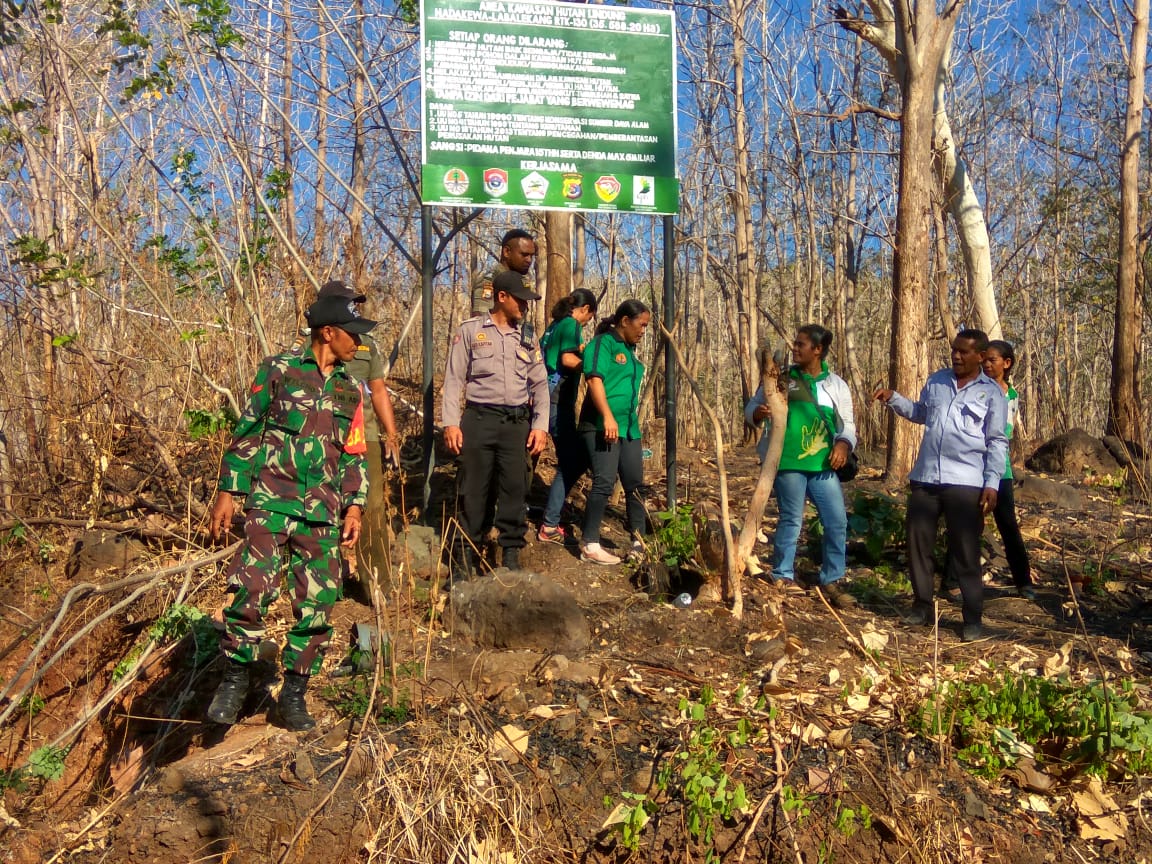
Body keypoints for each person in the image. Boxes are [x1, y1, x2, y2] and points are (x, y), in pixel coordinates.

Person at [206, 294, 374, 731]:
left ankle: (294, 694)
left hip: (322, 512)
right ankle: (235, 678)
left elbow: (355, 453)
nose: (358, 343)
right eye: (353, 335)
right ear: (328, 332)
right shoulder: (279, 370)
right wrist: (229, 488)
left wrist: (355, 506)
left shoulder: (350, 388)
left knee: (318, 604)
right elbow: (248, 428)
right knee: (251, 590)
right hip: (269, 502)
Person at [874, 328, 1008, 642]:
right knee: (918, 544)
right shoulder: (937, 381)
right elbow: (922, 413)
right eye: (954, 350)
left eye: (964, 352)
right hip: (926, 478)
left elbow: (997, 441)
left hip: (966, 482)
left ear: (979, 356)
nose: (957, 356)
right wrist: (894, 399)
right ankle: (921, 606)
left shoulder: (991, 393)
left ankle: (972, 618)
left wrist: (992, 484)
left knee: (965, 550)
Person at [294, 281, 401, 593]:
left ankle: (376, 585)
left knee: (371, 509)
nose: (356, 309)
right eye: (350, 303)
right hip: (318, 439)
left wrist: (390, 435)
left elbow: (378, 389)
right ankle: (319, 583)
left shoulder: (366, 344)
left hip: (362, 437)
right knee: (316, 508)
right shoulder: (309, 346)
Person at [443, 269, 550, 577]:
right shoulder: (470, 331)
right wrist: (451, 423)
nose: (525, 306)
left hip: (516, 424)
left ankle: (511, 556)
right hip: (479, 421)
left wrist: (540, 426)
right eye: (521, 300)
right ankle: (463, 560)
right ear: (502, 297)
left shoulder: (528, 337)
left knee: (515, 490)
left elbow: (540, 385)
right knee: (473, 491)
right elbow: (453, 381)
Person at [744, 325, 857, 607]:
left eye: (801, 344)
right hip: (787, 462)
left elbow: (848, 425)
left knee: (836, 520)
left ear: (818, 350)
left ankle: (832, 578)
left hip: (823, 465)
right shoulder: (780, 379)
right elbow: (752, 408)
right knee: (792, 519)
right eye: (795, 343)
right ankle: (783, 574)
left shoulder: (836, 385)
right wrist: (757, 413)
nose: (795, 348)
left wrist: (843, 444)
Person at [578, 299, 651, 565]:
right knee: (604, 482)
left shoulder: (630, 350)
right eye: (641, 325)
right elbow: (594, 380)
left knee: (635, 485)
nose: (643, 330)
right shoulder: (602, 344)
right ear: (624, 321)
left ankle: (638, 541)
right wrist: (607, 416)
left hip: (628, 428)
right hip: (600, 425)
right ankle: (590, 543)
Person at [537, 289, 599, 545]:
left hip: (542, 396)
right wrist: (594, 364)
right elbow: (566, 359)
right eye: (589, 318)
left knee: (567, 460)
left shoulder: (555, 325)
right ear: (585, 311)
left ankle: (552, 512)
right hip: (556, 399)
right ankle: (549, 524)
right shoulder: (572, 324)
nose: (586, 324)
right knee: (572, 461)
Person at [982, 339, 1036, 601]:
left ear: (1007, 363)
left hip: (1001, 470)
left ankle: (1023, 582)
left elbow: (1007, 432)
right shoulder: (976, 388)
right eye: (985, 359)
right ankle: (952, 581)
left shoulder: (1012, 396)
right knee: (967, 524)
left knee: (1008, 526)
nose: (987, 364)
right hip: (973, 469)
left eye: (992, 360)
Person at [471, 228, 537, 317]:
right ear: (506, 252)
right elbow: (481, 322)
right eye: (524, 255)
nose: (529, 260)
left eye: (531, 256)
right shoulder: (490, 281)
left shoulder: (522, 283)